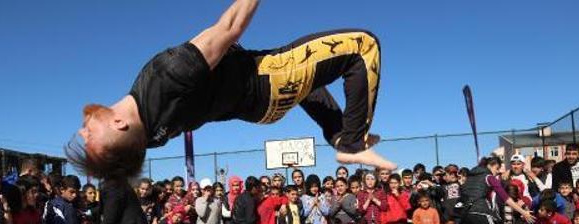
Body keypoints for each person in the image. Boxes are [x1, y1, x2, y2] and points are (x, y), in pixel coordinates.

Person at [67, 0, 394, 181]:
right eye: (90, 136)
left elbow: (128, 154)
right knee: (361, 46)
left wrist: (114, 166)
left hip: (260, 111)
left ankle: (338, 132)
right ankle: (350, 143)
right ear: (119, 125)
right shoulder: (168, 75)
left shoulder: (149, 136)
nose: (83, 132)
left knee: (309, 83)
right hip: (269, 80)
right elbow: (230, 27)